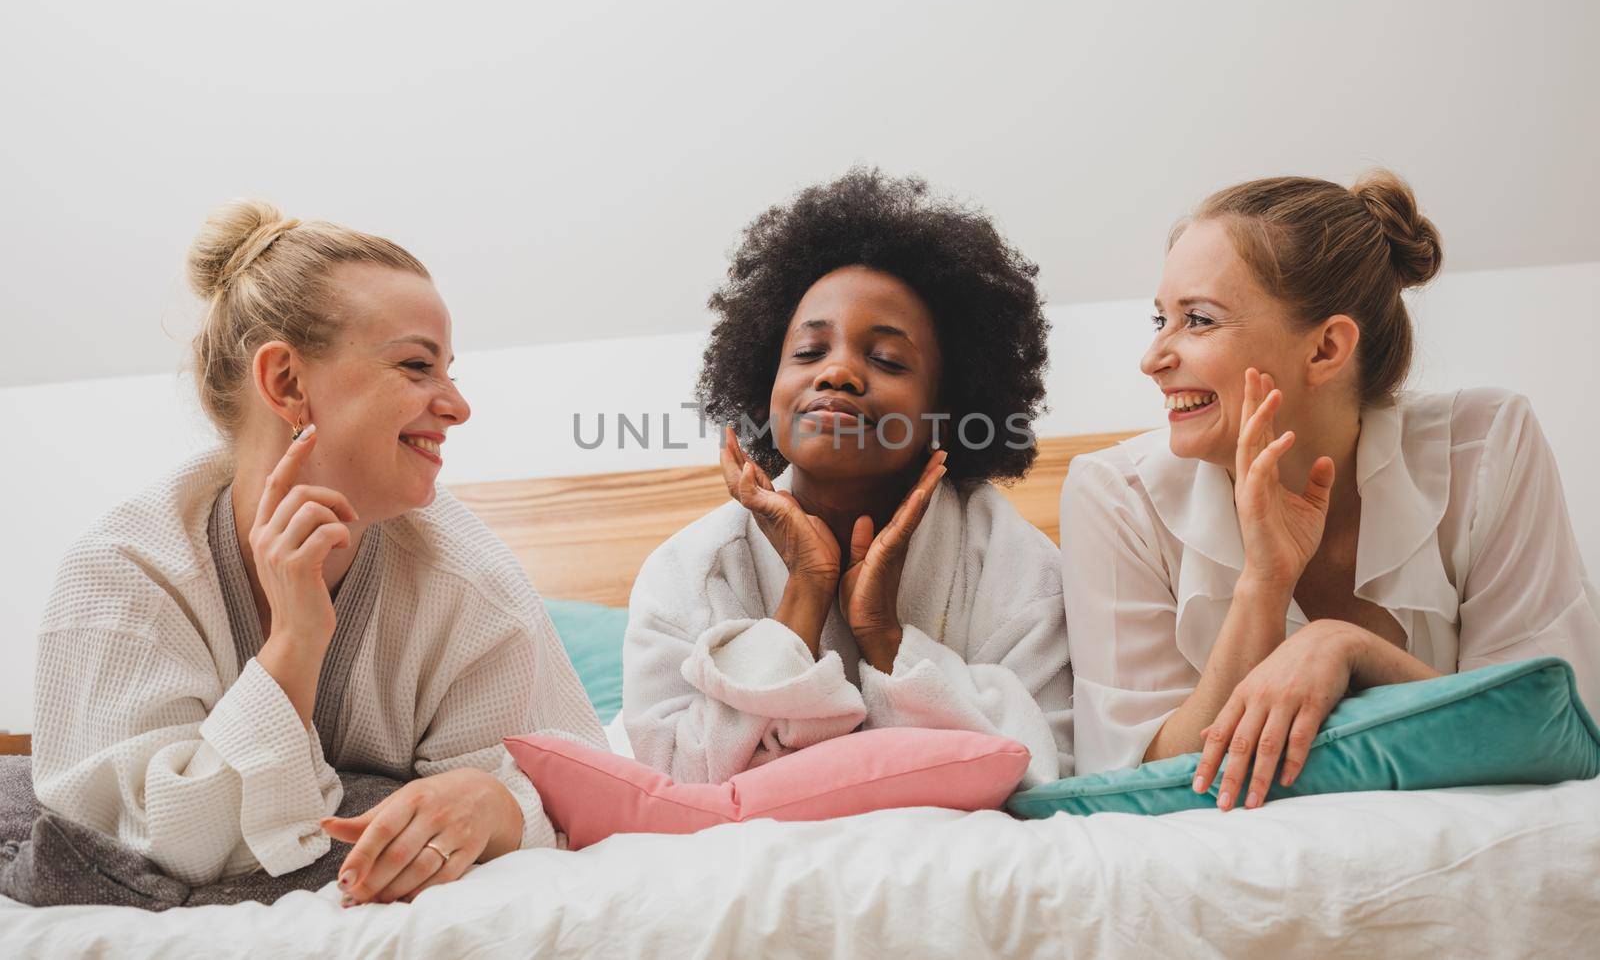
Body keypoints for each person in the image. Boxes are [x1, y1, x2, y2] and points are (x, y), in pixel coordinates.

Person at [31, 201, 603, 905]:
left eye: (450, 371)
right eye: (418, 365)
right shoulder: (121, 576)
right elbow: (135, 838)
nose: (457, 405)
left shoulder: (471, 583)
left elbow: (582, 792)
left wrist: (494, 804)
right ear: (287, 383)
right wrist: (294, 644)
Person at [1061, 169, 1600, 814]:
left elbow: (1551, 735)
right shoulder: (1115, 497)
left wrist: (1345, 647)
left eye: (1197, 320)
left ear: (1326, 349)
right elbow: (1132, 784)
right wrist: (1263, 585)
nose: (1153, 358)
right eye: (1160, 319)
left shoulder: (1485, 447)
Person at [623, 168, 1072, 787]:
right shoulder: (692, 571)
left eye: (886, 359)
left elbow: (1053, 767)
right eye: (807, 353)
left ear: (948, 412)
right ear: (764, 389)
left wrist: (884, 637)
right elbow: (670, 780)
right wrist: (803, 599)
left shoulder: (1013, 562)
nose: (837, 373)